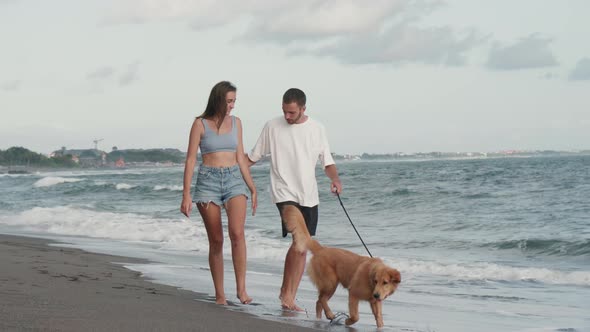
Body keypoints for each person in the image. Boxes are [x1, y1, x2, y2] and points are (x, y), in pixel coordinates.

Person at [247, 88, 342, 311]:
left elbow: (327, 162)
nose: (287, 117)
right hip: (283, 192)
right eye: (284, 112)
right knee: (300, 243)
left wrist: (335, 180)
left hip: (308, 194)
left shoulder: (317, 129)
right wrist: (230, 168)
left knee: (302, 247)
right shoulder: (272, 126)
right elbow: (253, 156)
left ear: (303, 109)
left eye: (292, 113)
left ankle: (289, 295)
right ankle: (286, 296)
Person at [180, 81, 257, 305]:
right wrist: (186, 194)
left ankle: (242, 290)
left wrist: (251, 187)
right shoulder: (200, 124)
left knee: (237, 234)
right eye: (229, 101)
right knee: (216, 240)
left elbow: (241, 157)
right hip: (208, 182)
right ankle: (220, 294)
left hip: (234, 180)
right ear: (219, 100)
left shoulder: (237, 123)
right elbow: (191, 159)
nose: (233, 105)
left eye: (234, 101)